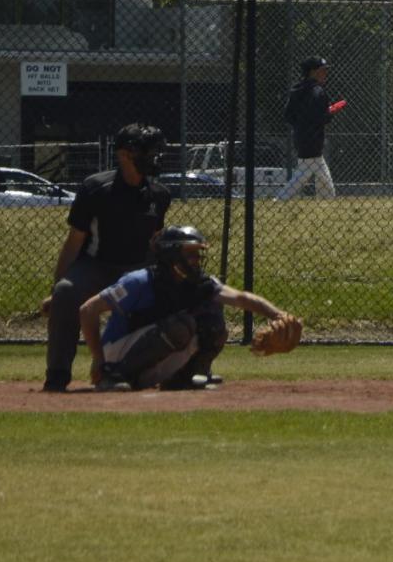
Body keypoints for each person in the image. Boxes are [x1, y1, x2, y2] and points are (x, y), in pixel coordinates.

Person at [38, 123, 172, 393]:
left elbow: (155, 243)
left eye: (155, 152)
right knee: (65, 293)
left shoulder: (159, 194)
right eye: (145, 152)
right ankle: (57, 374)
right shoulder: (96, 188)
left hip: (137, 268)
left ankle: (181, 369)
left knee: (176, 295)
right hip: (97, 265)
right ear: (124, 155)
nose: (153, 158)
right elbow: (74, 242)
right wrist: (55, 289)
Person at [80, 225, 291, 390]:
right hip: (117, 354)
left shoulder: (198, 282)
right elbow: (88, 310)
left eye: (198, 254)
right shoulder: (139, 281)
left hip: (153, 354)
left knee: (213, 322)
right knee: (181, 325)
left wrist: (278, 315)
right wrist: (99, 361)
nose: (197, 260)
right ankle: (114, 377)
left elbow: (241, 298)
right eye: (190, 253)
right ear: (171, 255)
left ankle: (183, 377)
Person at [277, 56, 338, 200]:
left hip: (300, 136)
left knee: (319, 171)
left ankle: (326, 199)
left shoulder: (297, 90)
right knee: (303, 174)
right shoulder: (318, 91)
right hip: (314, 137)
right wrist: (329, 112)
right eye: (323, 70)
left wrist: (301, 125)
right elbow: (322, 118)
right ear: (313, 72)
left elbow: (288, 115)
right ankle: (280, 198)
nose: (325, 74)